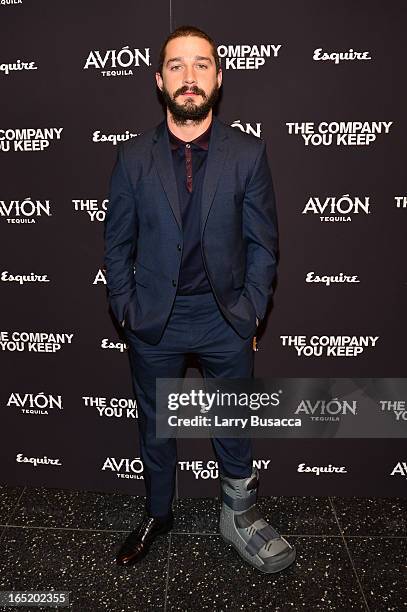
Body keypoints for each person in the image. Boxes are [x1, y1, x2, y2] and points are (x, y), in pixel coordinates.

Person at [103, 25, 296, 573]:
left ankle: (239, 517)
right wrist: (127, 308)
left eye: (202, 65)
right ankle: (157, 513)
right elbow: (116, 243)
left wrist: (253, 308)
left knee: (233, 421)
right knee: (155, 424)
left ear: (219, 76)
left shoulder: (249, 154)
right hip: (154, 321)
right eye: (177, 66)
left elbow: (264, 242)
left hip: (225, 317)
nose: (190, 77)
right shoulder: (133, 157)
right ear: (160, 81)